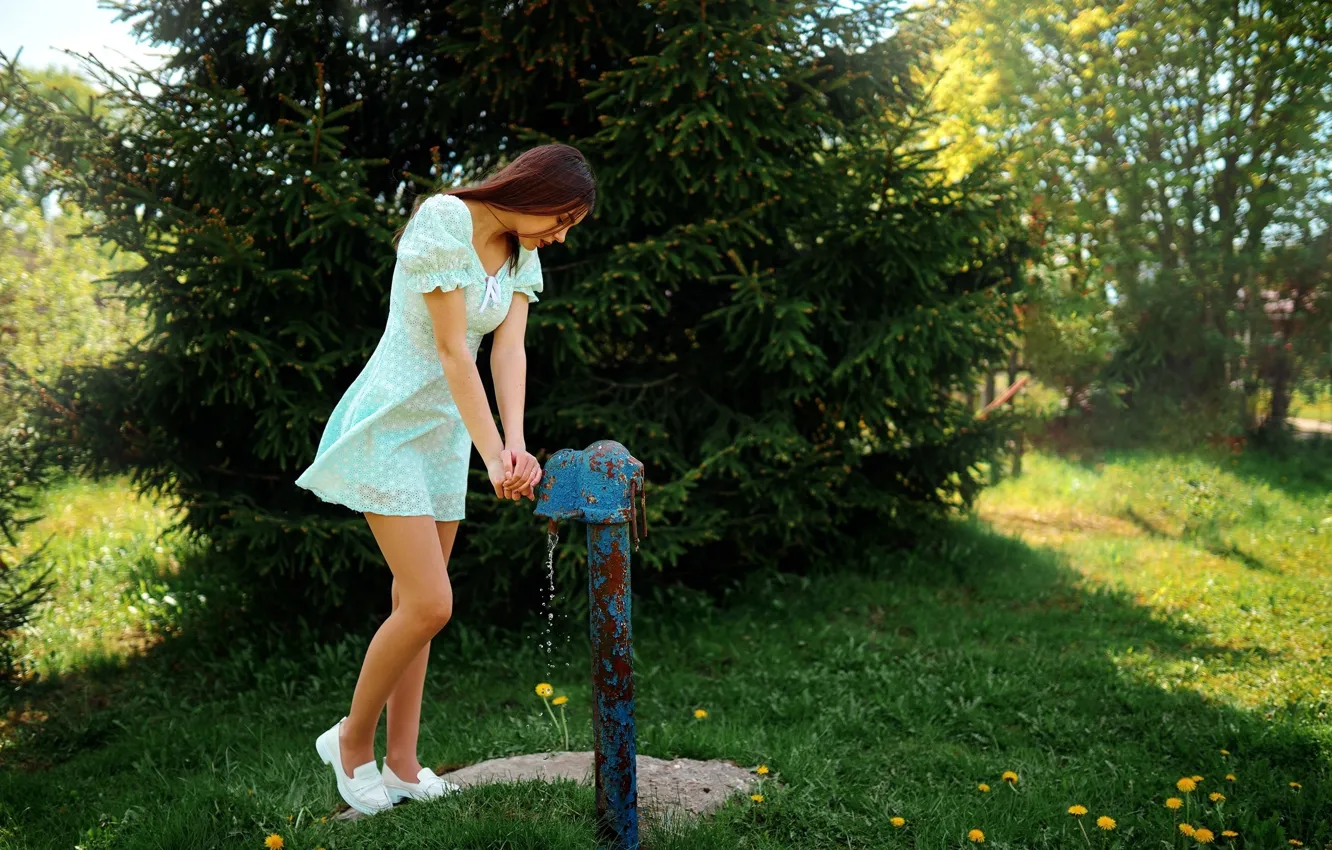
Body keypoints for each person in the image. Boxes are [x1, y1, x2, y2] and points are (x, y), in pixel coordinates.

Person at [295, 143, 594, 815]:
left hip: (444, 438)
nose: (562, 234)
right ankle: (348, 742)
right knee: (432, 603)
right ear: (534, 191)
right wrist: (495, 456)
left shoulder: (523, 252)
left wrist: (514, 446)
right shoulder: (442, 220)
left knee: (415, 610)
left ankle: (402, 764)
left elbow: (507, 349)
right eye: (563, 218)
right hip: (392, 427)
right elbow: (453, 349)